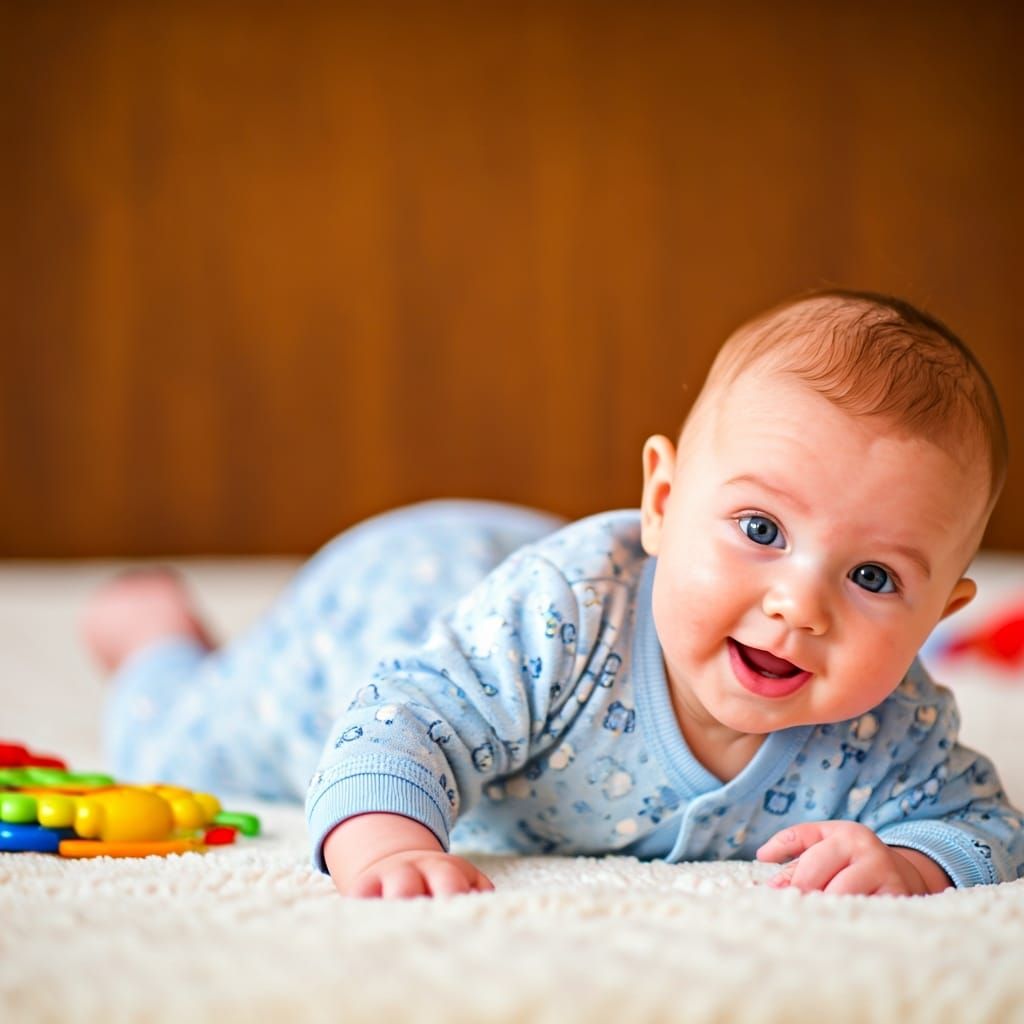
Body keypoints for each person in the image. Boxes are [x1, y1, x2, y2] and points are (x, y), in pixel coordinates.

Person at [83, 289, 1024, 900]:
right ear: (663, 501)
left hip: (517, 576)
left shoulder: (892, 732)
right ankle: (152, 632)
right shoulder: (564, 618)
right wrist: (387, 846)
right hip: (389, 609)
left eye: (873, 578)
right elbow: (413, 712)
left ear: (939, 613)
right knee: (183, 746)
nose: (799, 604)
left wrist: (911, 862)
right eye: (761, 530)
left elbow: (987, 826)